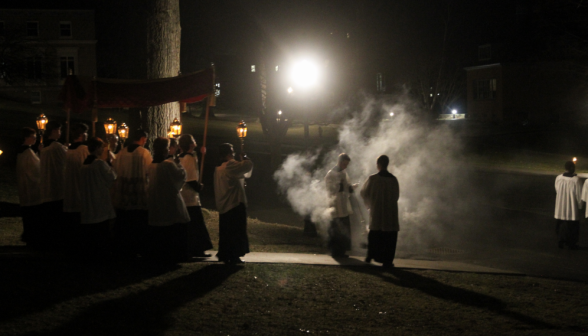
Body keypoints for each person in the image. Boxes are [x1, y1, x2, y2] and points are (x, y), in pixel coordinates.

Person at [145, 137, 190, 260]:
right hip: (169, 199)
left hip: (156, 199)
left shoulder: (151, 165)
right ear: (166, 149)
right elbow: (181, 178)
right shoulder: (168, 165)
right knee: (172, 228)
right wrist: (178, 164)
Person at [112, 129, 152, 255]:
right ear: (142, 138)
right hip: (138, 192)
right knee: (138, 221)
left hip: (123, 191)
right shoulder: (144, 153)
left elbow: (115, 169)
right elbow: (149, 170)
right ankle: (138, 246)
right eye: (145, 139)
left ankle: (123, 245)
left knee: (124, 220)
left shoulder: (122, 152)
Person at [214, 143, 253, 264]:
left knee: (227, 232)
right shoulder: (230, 165)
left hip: (225, 204)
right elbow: (248, 166)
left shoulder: (219, 168)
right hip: (234, 203)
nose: (233, 154)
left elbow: (243, 173)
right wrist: (244, 157)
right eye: (231, 151)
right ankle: (234, 254)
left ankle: (226, 254)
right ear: (228, 153)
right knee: (235, 231)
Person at [360, 155, 400, 268]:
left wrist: (370, 205)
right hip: (390, 213)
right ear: (387, 164)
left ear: (378, 164)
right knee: (389, 237)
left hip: (377, 211)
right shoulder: (393, 180)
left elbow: (363, 193)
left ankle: (370, 256)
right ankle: (387, 260)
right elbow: (396, 196)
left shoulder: (373, 179)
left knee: (374, 234)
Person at [79, 137, 117, 257]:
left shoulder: (84, 164)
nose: (103, 149)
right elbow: (112, 177)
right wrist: (109, 162)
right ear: (96, 148)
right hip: (99, 199)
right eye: (101, 147)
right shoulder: (99, 164)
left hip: (88, 200)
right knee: (101, 229)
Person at [178, 134, 213, 257]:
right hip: (190, 196)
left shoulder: (181, 157)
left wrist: (201, 153)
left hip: (184, 195)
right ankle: (197, 248)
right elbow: (190, 178)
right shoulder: (188, 158)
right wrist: (198, 187)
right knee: (195, 224)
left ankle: (192, 248)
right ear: (190, 144)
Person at [39, 120, 68, 247]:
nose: (60, 133)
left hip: (46, 185)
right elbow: (67, 159)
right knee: (57, 216)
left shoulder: (43, 147)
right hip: (57, 184)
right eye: (59, 130)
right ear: (54, 131)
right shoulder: (56, 146)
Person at [325, 153, 357, 257]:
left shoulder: (343, 172)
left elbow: (346, 186)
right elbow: (329, 189)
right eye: (345, 164)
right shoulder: (331, 173)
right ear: (340, 162)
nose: (346, 166)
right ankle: (335, 251)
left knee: (344, 229)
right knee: (336, 229)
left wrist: (351, 187)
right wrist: (341, 187)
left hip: (343, 206)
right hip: (335, 205)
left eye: (347, 164)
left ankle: (342, 251)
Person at [63, 123, 90, 242]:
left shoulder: (68, 150)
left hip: (69, 186)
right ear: (81, 134)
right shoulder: (83, 150)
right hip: (80, 184)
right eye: (85, 133)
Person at [16, 127, 43, 246]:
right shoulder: (27, 152)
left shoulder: (22, 152)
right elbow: (38, 169)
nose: (35, 139)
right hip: (31, 189)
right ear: (27, 138)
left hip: (24, 188)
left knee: (28, 215)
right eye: (33, 137)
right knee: (33, 215)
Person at [554, 161, 583, 250]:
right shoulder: (576, 180)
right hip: (572, 206)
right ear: (571, 168)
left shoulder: (559, 178)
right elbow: (579, 194)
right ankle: (571, 243)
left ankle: (561, 241)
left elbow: (557, 190)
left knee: (562, 224)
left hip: (561, 205)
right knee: (572, 226)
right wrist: (580, 206)